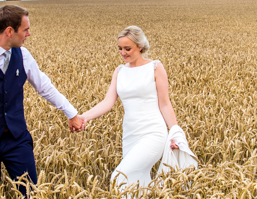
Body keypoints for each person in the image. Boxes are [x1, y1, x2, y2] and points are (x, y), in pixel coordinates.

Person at [0, 4, 85, 195]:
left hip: (17, 140)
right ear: (10, 31)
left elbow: (44, 86)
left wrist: (71, 113)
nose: (29, 34)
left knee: (31, 195)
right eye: (25, 29)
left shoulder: (24, 56)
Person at [79, 25, 186, 189]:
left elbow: (165, 104)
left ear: (140, 46)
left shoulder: (155, 68)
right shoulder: (120, 71)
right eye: (120, 49)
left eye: (127, 48)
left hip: (153, 133)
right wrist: (83, 117)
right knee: (135, 183)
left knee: (119, 178)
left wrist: (175, 133)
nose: (123, 53)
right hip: (130, 135)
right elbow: (108, 102)